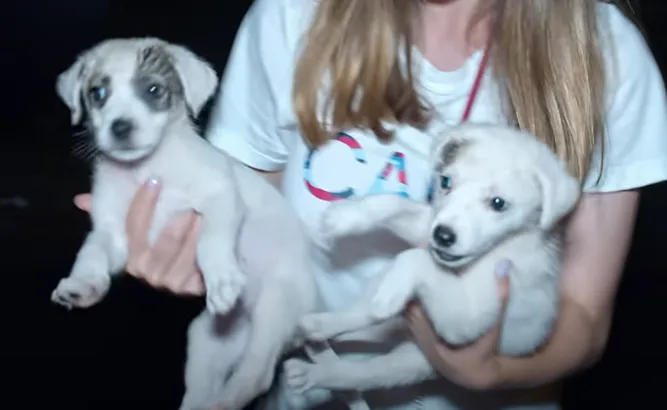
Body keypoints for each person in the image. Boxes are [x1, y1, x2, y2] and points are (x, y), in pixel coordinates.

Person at [75, 0, 667, 409]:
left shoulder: (605, 52)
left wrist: (493, 372)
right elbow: (243, 220)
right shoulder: (291, 17)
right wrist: (193, 248)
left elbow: (584, 320)